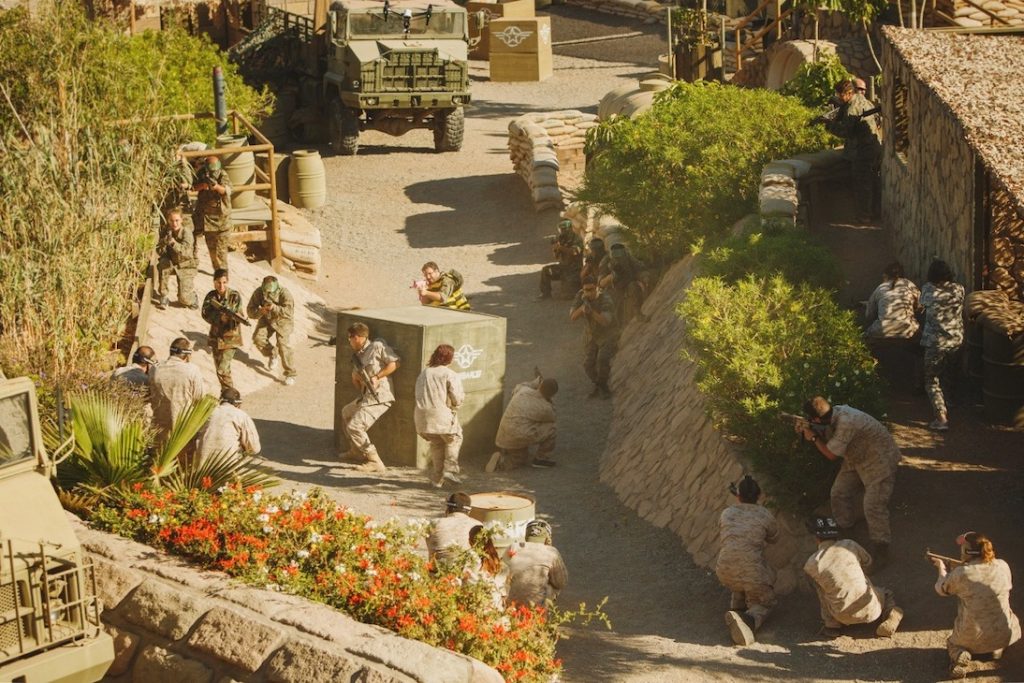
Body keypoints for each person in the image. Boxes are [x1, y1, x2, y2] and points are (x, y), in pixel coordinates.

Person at [799, 396, 901, 566]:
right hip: (856, 458)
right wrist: (809, 430)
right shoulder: (832, 415)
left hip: (880, 460)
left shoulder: (847, 421)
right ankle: (848, 534)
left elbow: (830, 455)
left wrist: (813, 437)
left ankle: (882, 550)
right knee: (838, 493)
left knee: (873, 506)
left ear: (816, 418)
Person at [930, 532, 1021, 678]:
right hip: (1007, 634)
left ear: (967, 551)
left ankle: (960, 655)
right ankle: (997, 649)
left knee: (952, 644)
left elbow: (940, 588)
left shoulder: (961, 573)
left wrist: (941, 567)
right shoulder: (1003, 565)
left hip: (972, 637)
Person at [803, 515, 904, 639]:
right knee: (886, 594)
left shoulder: (811, 564)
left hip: (841, 615)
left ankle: (832, 626)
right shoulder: (849, 545)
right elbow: (868, 564)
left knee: (821, 588)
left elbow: (811, 586)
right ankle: (891, 614)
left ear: (816, 538)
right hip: (871, 611)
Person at [716, 475, 778, 646]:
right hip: (752, 574)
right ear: (758, 496)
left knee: (740, 568)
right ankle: (748, 621)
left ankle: (737, 604)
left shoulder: (727, 513)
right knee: (766, 596)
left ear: (738, 496)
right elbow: (774, 538)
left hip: (724, 571)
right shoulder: (764, 514)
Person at [340, 322, 399, 473]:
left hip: (380, 397)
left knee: (355, 426)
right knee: (347, 412)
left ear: (358, 337)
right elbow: (359, 384)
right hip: (367, 396)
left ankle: (375, 461)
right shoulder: (358, 355)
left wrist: (378, 377)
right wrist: (356, 379)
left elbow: (395, 363)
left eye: (350, 338)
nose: (349, 341)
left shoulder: (377, 346)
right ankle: (357, 451)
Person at [824, 79, 881, 222]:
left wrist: (829, 125)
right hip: (874, 147)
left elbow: (845, 132)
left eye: (840, 95)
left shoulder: (851, 109)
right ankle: (874, 213)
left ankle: (864, 216)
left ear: (849, 93)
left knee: (862, 184)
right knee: (873, 182)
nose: (838, 97)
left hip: (863, 151)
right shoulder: (862, 101)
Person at [919, 259, 965, 432]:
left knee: (931, 379)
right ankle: (950, 401)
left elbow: (921, 306)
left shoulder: (927, 289)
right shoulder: (959, 289)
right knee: (951, 372)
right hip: (956, 339)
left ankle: (941, 418)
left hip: (935, 342)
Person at [414, 344, 465, 488]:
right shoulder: (449, 374)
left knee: (437, 444)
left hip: (421, 419)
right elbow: (457, 399)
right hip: (440, 416)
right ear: (450, 359)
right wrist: (456, 405)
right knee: (454, 438)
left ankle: (437, 479)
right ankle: (450, 470)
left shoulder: (424, 373)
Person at [487, 373, 558, 471]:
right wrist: (550, 400)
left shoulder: (523, 390)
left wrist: (535, 382)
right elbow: (553, 417)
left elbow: (521, 385)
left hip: (503, 435)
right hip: (517, 438)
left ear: (540, 385)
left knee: (521, 455)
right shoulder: (545, 408)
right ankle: (540, 459)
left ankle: (504, 453)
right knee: (551, 428)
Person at [570, 276, 618, 398]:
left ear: (596, 287)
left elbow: (605, 321)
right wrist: (582, 308)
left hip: (608, 333)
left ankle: (603, 387)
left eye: (591, 289)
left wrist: (591, 312)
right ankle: (599, 385)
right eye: (586, 289)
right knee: (588, 364)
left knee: (602, 360)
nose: (588, 292)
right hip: (591, 334)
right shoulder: (580, 296)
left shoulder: (605, 299)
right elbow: (572, 317)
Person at [150, 338, 206, 439]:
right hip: (182, 424)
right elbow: (199, 397)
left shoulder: (155, 367)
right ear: (187, 354)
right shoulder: (192, 370)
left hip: (159, 421)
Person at [247, 275, 297, 386]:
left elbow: (289, 312)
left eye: (271, 292)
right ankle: (272, 354)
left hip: (283, 321)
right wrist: (261, 311)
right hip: (267, 319)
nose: (268, 294)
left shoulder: (285, 293)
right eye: (266, 291)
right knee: (258, 339)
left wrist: (274, 307)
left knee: (283, 345)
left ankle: (290, 373)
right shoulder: (258, 292)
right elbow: (250, 311)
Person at [505, 520, 568, 607]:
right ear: (547, 538)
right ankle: (541, 612)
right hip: (535, 605)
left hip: (510, 603)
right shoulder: (551, 552)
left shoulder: (513, 547)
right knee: (553, 586)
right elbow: (561, 582)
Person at [201, 268, 245, 390]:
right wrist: (219, 318)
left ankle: (230, 394)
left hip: (230, 338)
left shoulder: (234, 296)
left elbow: (238, 314)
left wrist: (229, 318)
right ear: (214, 282)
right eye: (218, 282)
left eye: (224, 282)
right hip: (216, 338)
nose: (221, 286)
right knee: (220, 370)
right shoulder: (211, 296)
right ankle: (227, 393)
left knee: (222, 369)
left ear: (228, 282)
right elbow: (205, 313)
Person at [192, 155, 233, 272]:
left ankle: (223, 275)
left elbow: (227, 190)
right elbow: (193, 187)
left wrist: (215, 186)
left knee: (221, 251)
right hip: (206, 218)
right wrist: (203, 186)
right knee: (211, 249)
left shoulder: (223, 174)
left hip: (221, 220)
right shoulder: (202, 173)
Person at [196, 387, 261, 460]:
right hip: (227, 464)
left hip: (201, 461)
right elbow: (255, 448)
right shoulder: (241, 416)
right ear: (238, 403)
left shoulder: (207, 412)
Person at [864, 261, 920, 341]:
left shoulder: (880, 288)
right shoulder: (909, 284)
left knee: (864, 337)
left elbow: (869, 315)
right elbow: (921, 305)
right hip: (908, 331)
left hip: (882, 331)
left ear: (886, 276)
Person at [155, 209, 199, 311]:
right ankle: (163, 295)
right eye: (171, 221)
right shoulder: (166, 231)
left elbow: (186, 253)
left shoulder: (186, 233)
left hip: (186, 265)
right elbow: (159, 250)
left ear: (181, 220)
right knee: (163, 263)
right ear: (168, 220)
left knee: (184, 299)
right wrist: (164, 243)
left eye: (177, 220)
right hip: (171, 262)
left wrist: (173, 243)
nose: (174, 223)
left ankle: (192, 298)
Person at [598, 242, 649, 324]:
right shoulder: (605, 261)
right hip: (613, 288)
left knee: (635, 287)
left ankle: (638, 314)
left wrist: (644, 277)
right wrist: (611, 277)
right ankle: (619, 328)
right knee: (617, 309)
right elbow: (600, 283)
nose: (619, 257)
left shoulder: (628, 257)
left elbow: (639, 267)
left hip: (628, 282)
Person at [426, 492, 480, 566]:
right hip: (468, 574)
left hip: (438, 573)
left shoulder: (433, 524)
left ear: (448, 508)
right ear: (469, 511)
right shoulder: (477, 525)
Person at [538, 219, 583, 301]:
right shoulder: (561, 239)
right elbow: (556, 257)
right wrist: (555, 249)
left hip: (574, 269)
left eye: (564, 229)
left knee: (567, 296)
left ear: (569, 228)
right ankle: (545, 293)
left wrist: (561, 247)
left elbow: (574, 252)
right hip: (563, 267)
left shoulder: (577, 239)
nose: (562, 232)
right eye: (561, 230)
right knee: (546, 270)